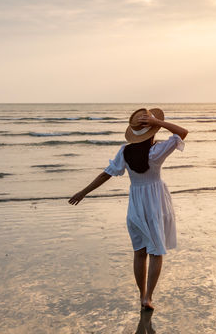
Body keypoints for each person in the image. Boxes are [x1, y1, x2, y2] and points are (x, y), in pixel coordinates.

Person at [69, 108, 188, 310]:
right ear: (153, 130)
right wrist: (158, 122)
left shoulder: (125, 151)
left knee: (139, 252)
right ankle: (148, 298)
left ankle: (142, 295)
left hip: (136, 205)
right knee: (156, 252)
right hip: (155, 202)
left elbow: (106, 174)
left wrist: (83, 192)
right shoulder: (157, 151)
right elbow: (182, 132)